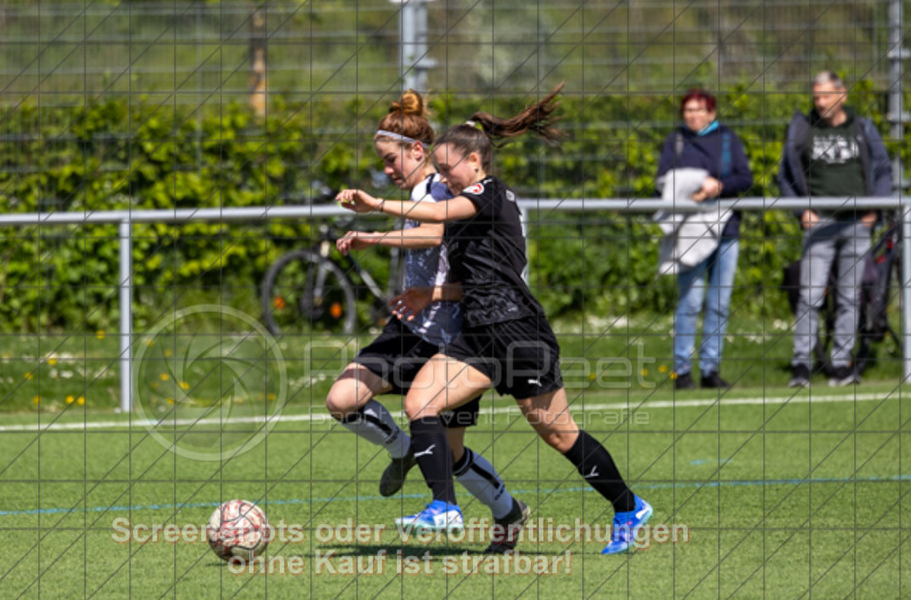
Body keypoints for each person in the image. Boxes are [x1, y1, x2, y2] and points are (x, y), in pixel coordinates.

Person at [337, 85, 652, 555]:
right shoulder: (465, 209)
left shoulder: (490, 193)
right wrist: (431, 292)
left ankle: (628, 507)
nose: (444, 177)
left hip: (518, 329)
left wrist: (376, 206)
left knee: (557, 432)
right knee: (421, 401)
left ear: (475, 162)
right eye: (439, 170)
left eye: (448, 169)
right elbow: (469, 275)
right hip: (478, 334)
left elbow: (439, 213)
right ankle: (444, 505)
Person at [324, 89, 530, 554]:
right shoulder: (423, 191)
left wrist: (373, 235)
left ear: (418, 151)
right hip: (411, 330)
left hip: (457, 337)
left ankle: (508, 513)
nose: (386, 170)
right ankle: (401, 450)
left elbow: (435, 231)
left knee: (453, 457)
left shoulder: (449, 190)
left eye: (390, 159)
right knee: (342, 399)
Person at [778, 71, 893, 388]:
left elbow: (883, 170)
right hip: (820, 226)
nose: (820, 102)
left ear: (841, 95)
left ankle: (842, 364)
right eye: (816, 96)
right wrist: (802, 211)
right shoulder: (802, 129)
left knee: (849, 297)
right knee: (810, 297)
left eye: (826, 95)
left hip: (857, 224)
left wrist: (874, 209)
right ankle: (801, 364)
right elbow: (785, 177)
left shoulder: (862, 128)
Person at [655, 89, 754, 390]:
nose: (693, 115)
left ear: (712, 112)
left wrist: (717, 187)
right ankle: (681, 372)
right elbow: (662, 181)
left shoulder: (728, 139)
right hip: (689, 232)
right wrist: (696, 184)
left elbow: (744, 178)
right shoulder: (677, 141)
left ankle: (711, 369)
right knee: (690, 301)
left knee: (719, 303)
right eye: (688, 110)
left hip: (726, 231)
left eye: (699, 110)